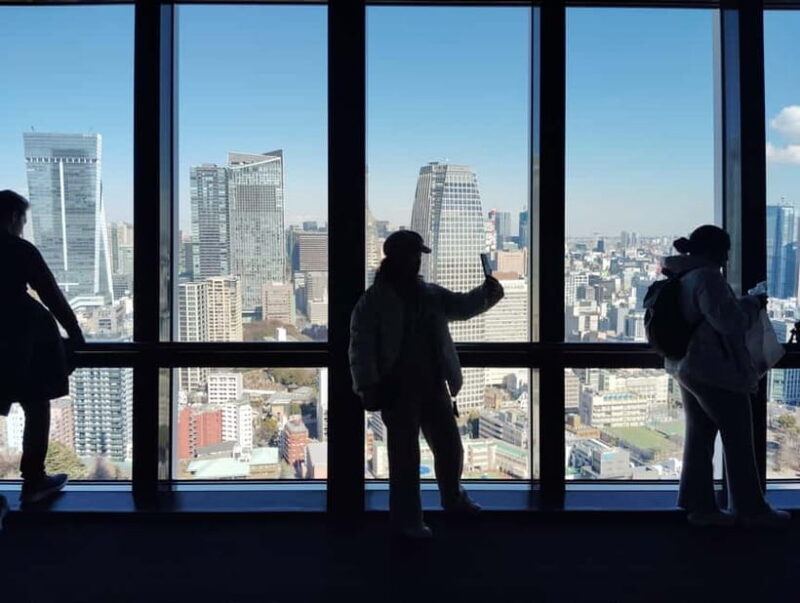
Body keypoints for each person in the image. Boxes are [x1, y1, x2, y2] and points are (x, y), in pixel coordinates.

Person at [349, 230, 504, 539]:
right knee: (406, 458)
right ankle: (413, 519)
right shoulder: (376, 301)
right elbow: (361, 348)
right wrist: (368, 385)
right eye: (414, 255)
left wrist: (488, 294)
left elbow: (461, 306)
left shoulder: (421, 295)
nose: (418, 261)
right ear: (399, 259)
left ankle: (446, 502)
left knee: (448, 448)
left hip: (430, 385)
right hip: (399, 388)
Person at [663, 224, 789, 527]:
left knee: (699, 436)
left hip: (687, 367)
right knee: (739, 439)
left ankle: (699, 505)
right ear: (719, 251)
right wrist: (752, 302)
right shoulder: (707, 277)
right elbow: (729, 323)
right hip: (714, 370)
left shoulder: (681, 275)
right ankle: (751, 509)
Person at [0, 190, 84, 505]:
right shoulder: (20, 250)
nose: (23, 225)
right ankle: (33, 478)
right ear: (12, 217)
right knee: (37, 406)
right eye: (22, 219)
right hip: (26, 340)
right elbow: (50, 292)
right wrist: (74, 331)